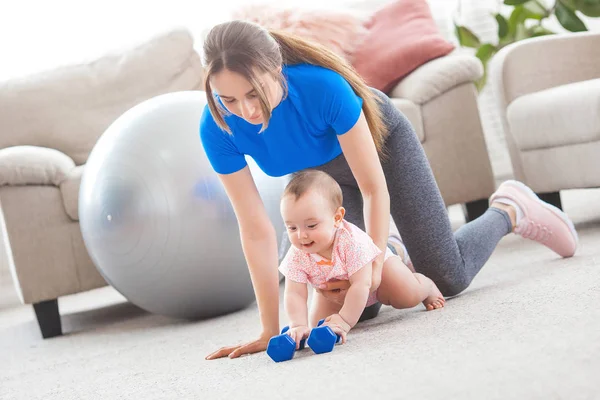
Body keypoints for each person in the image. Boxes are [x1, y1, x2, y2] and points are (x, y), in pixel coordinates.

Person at [200, 20, 578, 360]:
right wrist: (269, 330)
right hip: (319, 179)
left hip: (382, 147)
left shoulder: (323, 87)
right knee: (348, 301)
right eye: (228, 99)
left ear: (276, 69)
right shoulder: (217, 127)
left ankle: (509, 209)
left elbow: (372, 186)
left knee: (449, 278)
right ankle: (394, 248)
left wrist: (374, 261)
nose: (246, 111)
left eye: (255, 93)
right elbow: (255, 229)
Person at [278, 170, 444, 346]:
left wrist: (344, 321)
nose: (302, 235)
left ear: (337, 218)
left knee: (406, 295)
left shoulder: (351, 242)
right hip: (335, 291)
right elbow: (294, 293)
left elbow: (362, 284)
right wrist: (298, 324)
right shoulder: (297, 254)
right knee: (318, 322)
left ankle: (425, 285)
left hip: (374, 275)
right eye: (292, 228)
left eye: (311, 225)